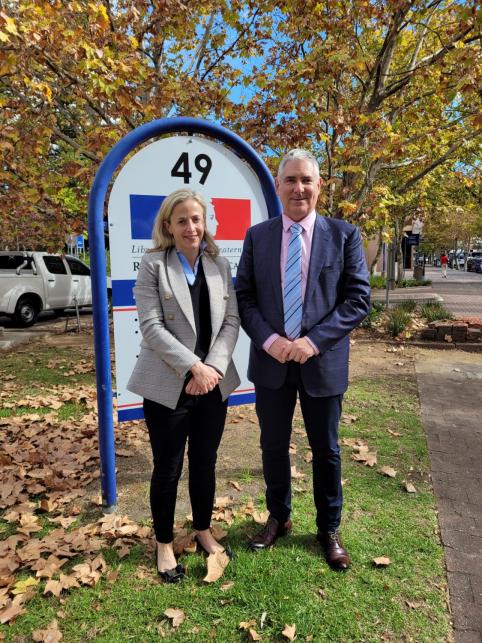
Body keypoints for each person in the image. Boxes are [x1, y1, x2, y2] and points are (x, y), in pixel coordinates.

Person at [235, 149, 370, 571]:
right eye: (290, 180)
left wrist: (313, 342)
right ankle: (279, 516)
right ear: (278, 187)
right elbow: (245, 296)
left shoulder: (344, 235)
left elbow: (357, 299)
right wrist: (269, 338)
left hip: (321, 362)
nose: (298, 188)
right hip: (272, 362)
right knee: (272, 445)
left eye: (306, 180)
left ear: (319, 186)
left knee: (326, 450)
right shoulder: (258, 236)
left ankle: (328, 529)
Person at [127, 189, 240, 582]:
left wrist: (213, 367)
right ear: (167, 226)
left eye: (197, 219)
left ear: (204, 223)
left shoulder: (219, 265)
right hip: (168, 385)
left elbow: (231, 323)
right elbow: (152, 327)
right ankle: (162, 543)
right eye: (182, 220)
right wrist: (194, 366)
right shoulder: (153, 265)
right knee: (168, 467)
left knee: (205, 463)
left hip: (213, 383)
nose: (191, 227)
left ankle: (203, 530)